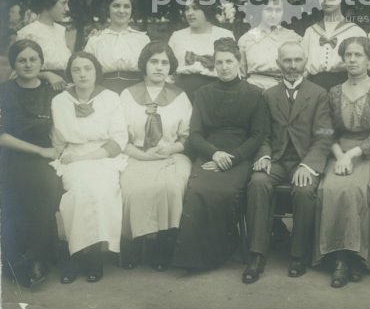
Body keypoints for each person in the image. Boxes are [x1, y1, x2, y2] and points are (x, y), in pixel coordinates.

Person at [172, 38, 266, 271]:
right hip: (208, 152)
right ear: (213, 64)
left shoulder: (255, 94)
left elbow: (257, 135)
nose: (224, 67)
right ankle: (194, 258)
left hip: (240, 156)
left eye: (229, 61)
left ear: (239, 62)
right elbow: (194, 134)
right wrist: (214, 155)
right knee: (197, 191)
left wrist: (232, 158)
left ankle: (222, 248)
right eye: (219, 62)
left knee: (223, 192)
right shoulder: (203, 93)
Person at [245, 41, 333, 283]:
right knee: (258, 182)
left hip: (304, 159)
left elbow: (324, 136)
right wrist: (263, 156)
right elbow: (262, 133)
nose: (292, 66)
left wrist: (308, 165)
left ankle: (298, 254)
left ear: (305, 62)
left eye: (297, 60)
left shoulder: (318, 94)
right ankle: (256, 254)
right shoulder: (268, 94)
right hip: (276, 158)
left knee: (305, 191)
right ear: (278, 64)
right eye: (287, 61)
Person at [314, 37, 370, 287]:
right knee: (329, 188)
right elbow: (326, 131)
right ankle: (337, 257)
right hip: (338, 151)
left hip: (367, 153)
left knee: (357, 189)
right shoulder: (334, 92)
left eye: (358, 55)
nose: (353, 60)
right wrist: (339, 155)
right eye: (348, 55)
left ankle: (356, 257)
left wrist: (352, 155)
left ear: (369, 58)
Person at [51, 52, 128, 283]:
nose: (82, 74)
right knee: (78, 192)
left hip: (104, 156)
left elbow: (118, 140)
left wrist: (91, 157)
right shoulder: (60, 101)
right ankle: (76, 253)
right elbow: (57, 141)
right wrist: (63, 156)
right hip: (72, 155)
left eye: (88, 68)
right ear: (70, 74)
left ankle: (94, 254)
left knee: (101, 190)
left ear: (96, 71)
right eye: (76, 69)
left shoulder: (111, 98)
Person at [119, 42, 192, 271]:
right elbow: (119, 136)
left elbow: (187, 137)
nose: (159, 67)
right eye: (154, 61)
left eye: (164, 63)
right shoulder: (127, 95)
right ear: (144, 64)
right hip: (136, 154)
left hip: (170, 154)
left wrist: (169, 150)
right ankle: (133, 242)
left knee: (171, 187)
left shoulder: (180, 96)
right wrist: (140, 155)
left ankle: (163, 244)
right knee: (131, 188)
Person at [0, 40, 61, 287]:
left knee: (46, 186)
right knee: (13, 189)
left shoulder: (53, 90)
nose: (28, 64)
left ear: (41, 62)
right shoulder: (4, 91)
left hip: (47, 153)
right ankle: (14, 260)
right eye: (22, 60)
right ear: (14, 63)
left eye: (33, 59)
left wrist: (54, 151)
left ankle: (38, 258)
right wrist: (40, 151)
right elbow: (2, 134)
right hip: (14, 152)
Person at [301, 0, 366, 90]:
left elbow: (362, 69)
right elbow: (303, 68)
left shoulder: (355, 31)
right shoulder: (311, 32)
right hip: (314, 88)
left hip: (346, 88)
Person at [84, 0, 150, 93]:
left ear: (132, 10)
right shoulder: (96, 40)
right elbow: (86, 70)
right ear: (108, 9)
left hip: (137, 94)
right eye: (116, 6)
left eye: (126, 6)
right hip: (104, 92)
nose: (121, 11)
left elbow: (149, 72)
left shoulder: (142, 40)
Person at [168, 0, 234, 100]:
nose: (190, 13)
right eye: (187, 9)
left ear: (207, 10)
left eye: (195, 8)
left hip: (216, 94)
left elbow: (234, 70)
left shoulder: (224, 35)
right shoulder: (177, 36)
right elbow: (168, 72)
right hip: (182, 94)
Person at [238, 0, 302, 90]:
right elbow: (241, 74)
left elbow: (301, 70)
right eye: (268, 9)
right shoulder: (247, 39)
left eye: (278, 10)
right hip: (254, 90)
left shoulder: (293, 38)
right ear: (260, 10)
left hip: (284, 90)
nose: (273, 15)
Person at [16, 0, 72, 90]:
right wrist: (47, 75)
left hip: (63, 86)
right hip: (39, 89)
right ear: (49, 3)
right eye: (63, 3)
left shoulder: (60, 31)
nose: (67, 9)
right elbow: (19, 70)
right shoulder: (28, 33)